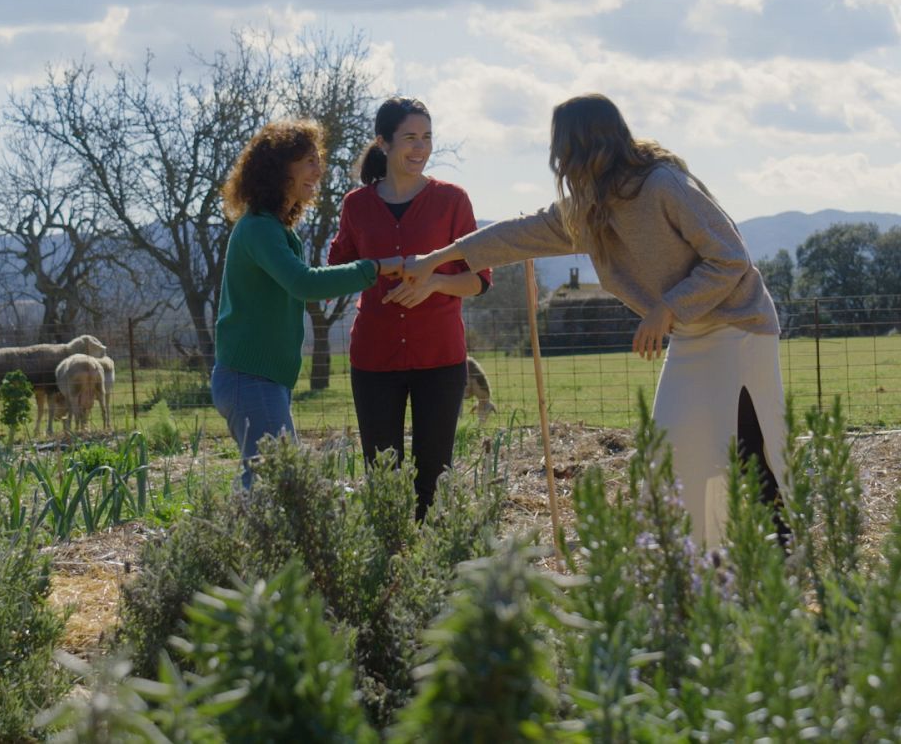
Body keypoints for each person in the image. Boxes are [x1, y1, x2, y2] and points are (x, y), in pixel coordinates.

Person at [395, 93, 785, 544]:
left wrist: (667, 308)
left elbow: (731, 258)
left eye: (561, 146)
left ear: (585, 145)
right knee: (671, 450)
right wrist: (437, 258)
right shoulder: (589, 210)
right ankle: (690, 560)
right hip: (690, 337)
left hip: (739, 329)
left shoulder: (663, 186)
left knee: (748, 447)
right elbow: (518, 235)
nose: (557, 158)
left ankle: (784, 553)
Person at [212, 120, 402, 489]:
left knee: (277, 484)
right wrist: (373, 268)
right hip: (250, 380)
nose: (319, 170)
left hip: (261, 381)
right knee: (277, 486)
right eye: (308, 161)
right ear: (280, 169)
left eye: (319, 160)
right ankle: (236, 545)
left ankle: (241, 543)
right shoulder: (259, 229)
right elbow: (303, 282)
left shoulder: (275, 228)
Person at [329, 97, 490, 519]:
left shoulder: (453, 201)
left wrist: (435, 282)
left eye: (427, 138)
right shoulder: (356, 206)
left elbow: (478, 280)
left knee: (434, 477)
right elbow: (336, 272)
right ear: (383, 143)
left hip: (440, 359)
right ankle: (388, 571)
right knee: (383, 475)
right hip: (374, 359)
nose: (420, 148)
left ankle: (433, 574)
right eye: (410, 138)